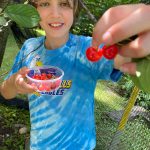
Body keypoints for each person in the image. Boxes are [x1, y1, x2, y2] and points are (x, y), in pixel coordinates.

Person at [0, 0, 150, 149]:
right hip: (39, 145)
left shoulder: (90, 49)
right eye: (45, 4)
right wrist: (14, 83)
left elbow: (131, 57)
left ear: (74, 9)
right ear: (34, 9)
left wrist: (137, 37)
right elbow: (6, 93)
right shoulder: (29, 47)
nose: (55, 13)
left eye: (64, 4)